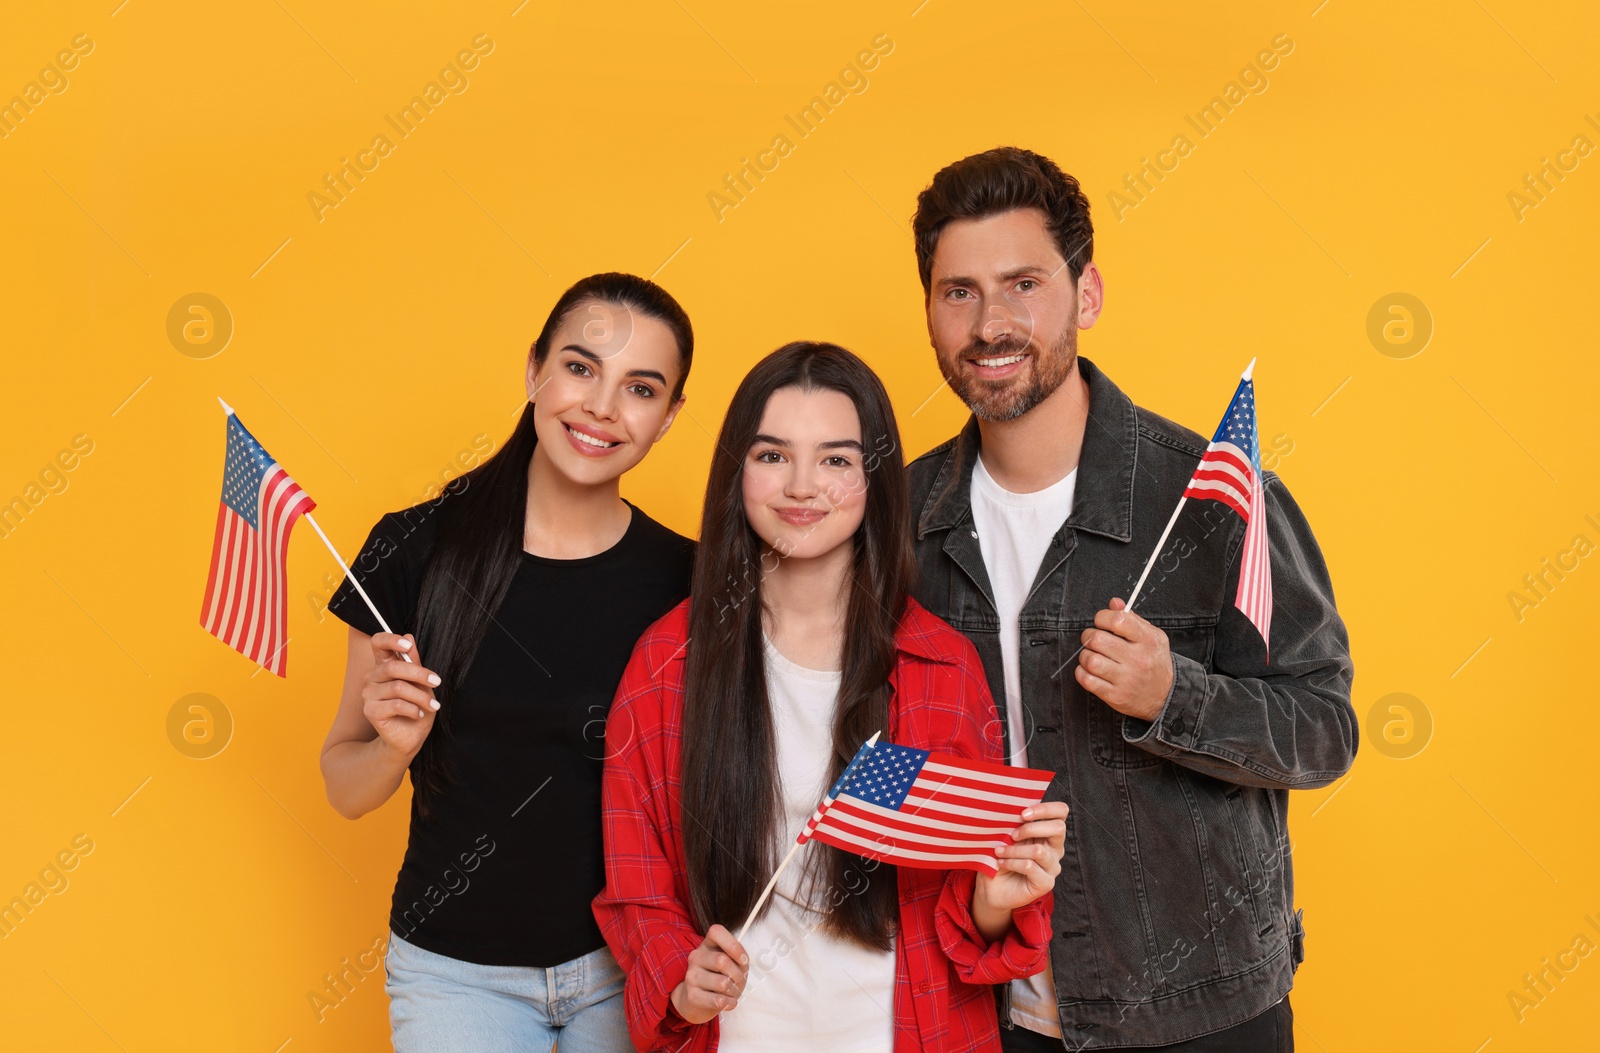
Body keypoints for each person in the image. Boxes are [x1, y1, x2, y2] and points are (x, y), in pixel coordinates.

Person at [903, 147, 1357, 1051]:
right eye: (959, 292)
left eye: (1023, 283)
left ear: (1088, 295)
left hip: (1201, 1013)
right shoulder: (899, 522)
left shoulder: (1211, 498)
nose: (991, 323)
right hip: (989, 1008)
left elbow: (1323, 728)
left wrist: (1174, 696)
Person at [593, 342, 1071, 1052]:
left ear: (876, 479)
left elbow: (971, 920)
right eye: (772, 455)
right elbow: (640, 888)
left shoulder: (942, 663)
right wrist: (680, 980)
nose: (802, 485)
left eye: (837, 459)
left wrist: (997, 900)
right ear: (736, 471)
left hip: (912, 1032)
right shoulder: (668, 663)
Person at [318, 272, 698, 1053]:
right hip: (454, 972)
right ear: (534, 370)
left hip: (629, 963)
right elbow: (343, 786)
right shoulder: (413, 549)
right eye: (581, 367)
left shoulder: (688, 582)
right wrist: (392, 747)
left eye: (640, 388)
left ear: (668, 418)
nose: (600, 406)